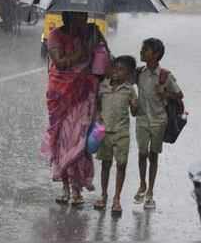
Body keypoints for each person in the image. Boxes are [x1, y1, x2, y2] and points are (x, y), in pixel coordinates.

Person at [41, 11, 109, 206]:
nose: (83, 19)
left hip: (84, 96)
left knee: (78, 142)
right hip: (60, 96)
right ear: (67, 17)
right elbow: (60, 63)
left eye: (84, 15)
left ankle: (77, 189)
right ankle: (65, 187)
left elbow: (105, 60)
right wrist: (81, 53)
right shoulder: (56, 35)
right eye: (78, 15)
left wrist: (97, 42)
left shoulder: (92, 33)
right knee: (62, 142)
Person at [133, 38, 183, 209]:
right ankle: (142, 183)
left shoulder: (165, 76)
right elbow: (121, 76)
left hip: (158, 121)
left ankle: (150, 192)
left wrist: (165, 93)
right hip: (141, 120)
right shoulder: (139, 73)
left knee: (153, 156)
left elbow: (179, 95)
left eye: (145, 50)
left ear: (155, 54)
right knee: (141, 153)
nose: (141, 52)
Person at [93, 56, 138, 214]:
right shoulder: (103, 86)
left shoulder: (129, 89)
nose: (116, 72)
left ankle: (117, 198)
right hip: (105, 132)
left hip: (122, 133)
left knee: (121, 164)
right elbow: (97, 105)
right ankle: (104, 195)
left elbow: (134, 112)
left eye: (121, 70)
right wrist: (98, 116)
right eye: (114, 68)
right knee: (105, 164)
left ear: (128, 74)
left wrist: (134, 106)